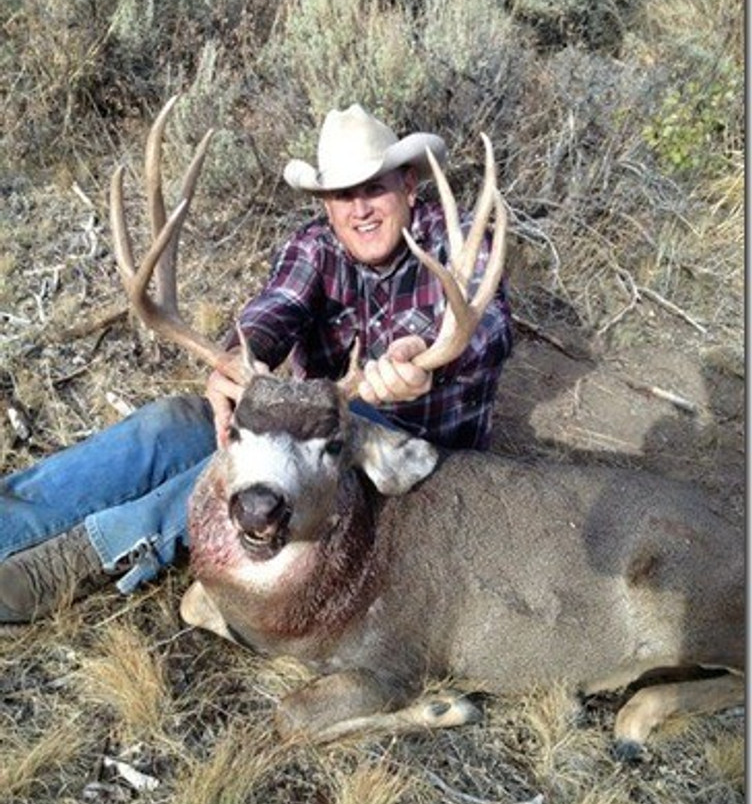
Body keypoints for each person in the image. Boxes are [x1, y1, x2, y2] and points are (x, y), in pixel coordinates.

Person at [0, 104, 513, 623]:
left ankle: (73, 563)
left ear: (408, 184)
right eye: (342, 195)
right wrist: (239, 365)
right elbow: (275, 309)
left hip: (404, 457)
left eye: (374, 188)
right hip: (303, 422)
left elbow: (490, 327)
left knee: (230, 467)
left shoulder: (457, 237)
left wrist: (421, 357)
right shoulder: (316, 245)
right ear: (326, 205)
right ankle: (8, 520)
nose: (360, 209)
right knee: (172, 423)